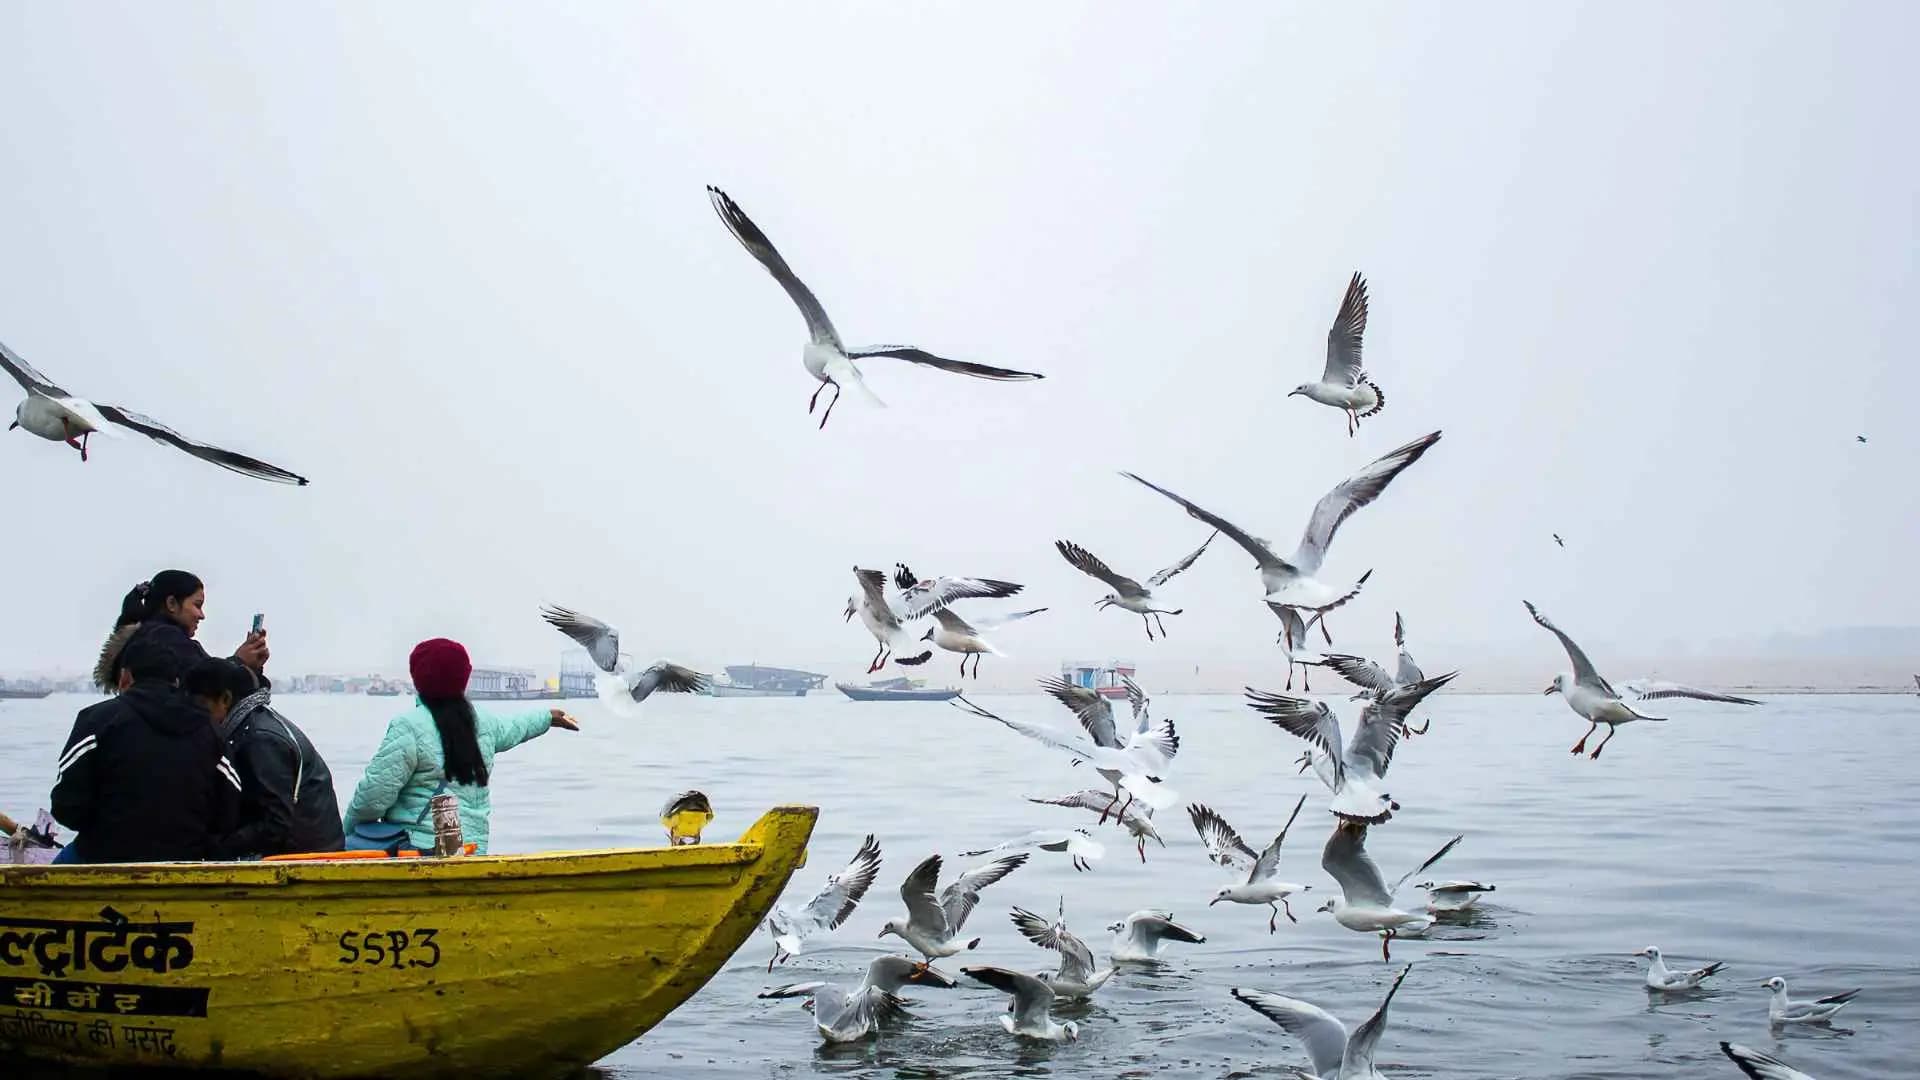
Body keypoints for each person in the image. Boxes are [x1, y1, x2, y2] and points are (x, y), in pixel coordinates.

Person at [342, 638, 578, 855]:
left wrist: (344, 833)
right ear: (464, 679)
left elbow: (372, 798)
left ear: (417, 678)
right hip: (471, 850)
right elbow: (517, 726)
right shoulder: (484, 722)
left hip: (415, 851)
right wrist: (548, 716)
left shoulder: (408, 727)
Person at [49, 636, 241, 863]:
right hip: (186, 863)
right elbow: (228, 814)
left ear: (125, 677)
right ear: (177, 682)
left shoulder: (97, 720)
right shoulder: (211, 732)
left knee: (44, 885)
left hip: (102, 857)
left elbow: (65, 806)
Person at [184, 658, 344, 858]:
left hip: (305, 856)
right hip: (310, 847)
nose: (196, 715)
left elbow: (275, 823)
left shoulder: (260, 739)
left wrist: (215, 847)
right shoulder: (251, 725)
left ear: (225, 699)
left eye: (200, 706)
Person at [92, 570, 269, 693]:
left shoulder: (146, 639)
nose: (202, 615)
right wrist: (240, 663)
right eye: (197, 605)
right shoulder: (166, 641)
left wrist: (249, 666)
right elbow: (209, 687)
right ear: (171, 604)